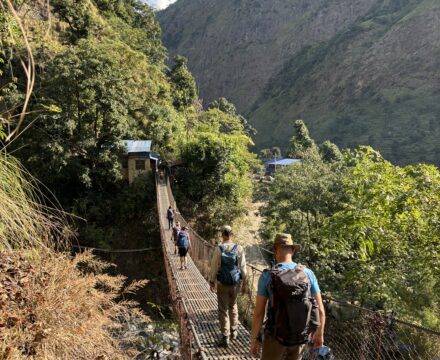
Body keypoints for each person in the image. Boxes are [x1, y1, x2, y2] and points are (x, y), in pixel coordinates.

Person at [250, 233, 325, 360]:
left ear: (275, 250)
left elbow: (258, 313)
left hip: (275, 337)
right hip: (300, 336)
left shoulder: (267, 276)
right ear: (293, 250)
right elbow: (321, 310)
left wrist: (254, 340)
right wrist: (319, 334)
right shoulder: (308, 274)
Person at [209, 225, 247, 348]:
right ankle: (234, 331)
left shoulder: (218, 249)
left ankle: (225, 336)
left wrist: (211, 281)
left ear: (222, 235)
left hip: (222, 283)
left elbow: (214, 266)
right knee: (233, 305)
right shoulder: (239, 248)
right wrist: (244, 283)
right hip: (235, 282)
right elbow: (243, 268)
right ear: (232, 235)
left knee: (223, 309)